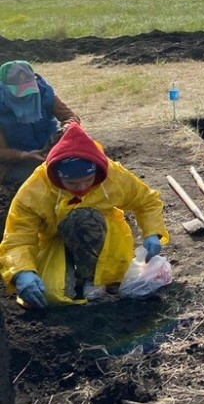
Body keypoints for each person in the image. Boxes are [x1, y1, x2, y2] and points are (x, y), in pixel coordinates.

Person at [0, 123, 170, 308]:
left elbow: (146, 201)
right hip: (56, 242)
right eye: (72, 183)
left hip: (103, 238)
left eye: (87, 180)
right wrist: (22, 271)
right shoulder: (36, 189)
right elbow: (17, 238)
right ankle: (73, 276)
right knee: (49, 296)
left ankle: (93, 278)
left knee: (82, 218)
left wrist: (152, 233)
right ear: (57, 176)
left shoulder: (112, 175)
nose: (81, 188)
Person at [0, 60, 80, 187]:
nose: (27, 96)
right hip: (15, 162)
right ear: (5, 87)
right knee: (44, 178)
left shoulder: (45, 94)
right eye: (20, 92)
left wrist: (65, 129)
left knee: (85, 165)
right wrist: (24, 155)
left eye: (30, 90)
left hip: (50, 152)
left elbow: (70, 117)